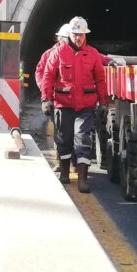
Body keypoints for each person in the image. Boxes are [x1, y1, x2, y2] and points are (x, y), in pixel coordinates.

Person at [40, 16, 109, 192]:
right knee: (65, 139)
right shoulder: (58, 53)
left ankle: (83, 179)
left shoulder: (92, 54)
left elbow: (100, 80)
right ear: (70, 34)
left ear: (85, 35)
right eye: (75, 34)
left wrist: (103, 103)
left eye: (81, 35)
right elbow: (47, 75)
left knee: (82, 138)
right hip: (64, 105)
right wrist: (46, 99)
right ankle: (64, 173)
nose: (78, 38)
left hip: (85, 106)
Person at [35, 23, 72, 96]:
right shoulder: (48, 54)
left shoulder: (79, 54)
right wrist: (45, 90)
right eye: (68, 40)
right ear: (60, 39)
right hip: (55, 96)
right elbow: (40, 72)